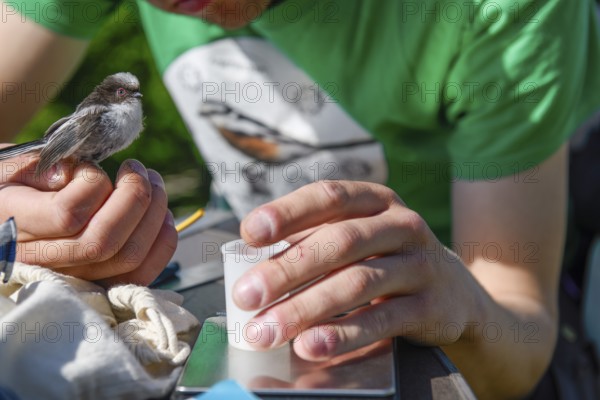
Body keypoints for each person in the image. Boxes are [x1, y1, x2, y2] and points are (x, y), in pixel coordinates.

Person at [1, 0, 600, 398]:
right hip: (234, 263)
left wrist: (462, 310)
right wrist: (16, 216)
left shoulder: (500, 13)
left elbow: (521, 335)